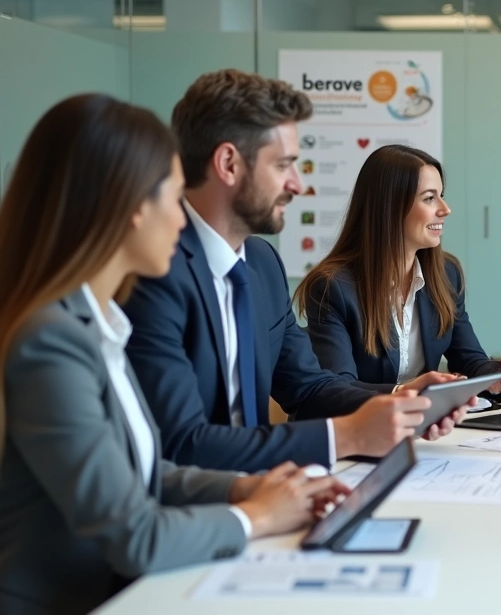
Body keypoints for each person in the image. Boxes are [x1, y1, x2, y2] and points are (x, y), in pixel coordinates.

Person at [0, 94, 351, 615]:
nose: (182, 217)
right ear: (130, 208)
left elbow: (144, 473)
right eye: (172, 193)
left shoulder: (96, 322)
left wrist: (249, 487)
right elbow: (135, 535)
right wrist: (257, 517)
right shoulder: (52, 342)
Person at [122, 70, 469, 473]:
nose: (298, 184)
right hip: (198, 497)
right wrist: (349, 435)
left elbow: (308, 386)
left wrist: (402, 402)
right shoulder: (152, 272)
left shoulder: (262, 263)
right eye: (284, 165)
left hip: (263, 485)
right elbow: (181, 444)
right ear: (229, 164)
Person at [296, 145, 501, 397]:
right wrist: (407, 393)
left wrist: (499, 375)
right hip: (360, 419)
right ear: (390, 206)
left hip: (424, 418)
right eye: (429, 198)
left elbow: (469, 359)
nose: (445, 209)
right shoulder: (332, 286)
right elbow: (338, 387)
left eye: (441, 195)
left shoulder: (447, 274)